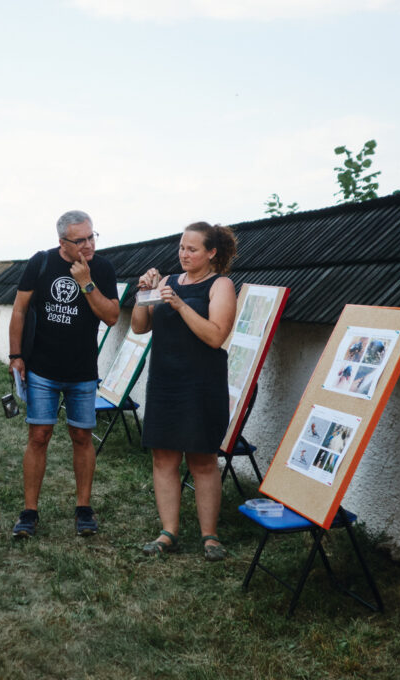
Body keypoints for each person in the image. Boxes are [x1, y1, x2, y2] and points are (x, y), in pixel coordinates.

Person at [8, 210, 119, 538]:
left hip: (82, 371)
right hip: (42, 369)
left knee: (82, 437)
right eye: (80, 240)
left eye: (91, 236)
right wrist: (16, 356)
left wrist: (86, 283)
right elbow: (19, 310)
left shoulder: (102, 268)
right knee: (39, 436)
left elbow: (112, 316)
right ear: (62, 242)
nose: (88, 245)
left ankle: (84, 509)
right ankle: (29, 512)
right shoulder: (41, 263)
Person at [132, 222, 237, 561]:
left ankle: (210, 536)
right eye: (181, 247)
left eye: (192, 249)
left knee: (202, 459)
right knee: (163, 457)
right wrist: (142, 294)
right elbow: (139, 326)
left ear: (211, 252)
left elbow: (215, 336)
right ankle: (168, 533)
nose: (184, 254)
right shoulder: (166, 282)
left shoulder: (221, 285)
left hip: (202, 384)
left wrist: (179, 305)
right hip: (164, 382)